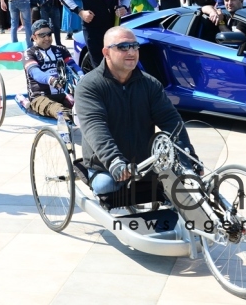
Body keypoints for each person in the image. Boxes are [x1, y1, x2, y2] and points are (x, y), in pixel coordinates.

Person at [74, 26, 196, 195]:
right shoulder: (89, 86)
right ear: (106, 52)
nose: (131, 51)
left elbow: (171, 121)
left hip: (146, 163)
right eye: (123, 47)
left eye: (135, 46)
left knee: (181, 187)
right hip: (106, 165)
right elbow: (95, 126)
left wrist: (188, 158)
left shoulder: (150, 84)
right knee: (105, 186)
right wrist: (114, 161)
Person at [24, 19, 83, 120]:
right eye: (42, 35)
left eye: (49, 34)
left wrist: (82, 76)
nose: (47, 38)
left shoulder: (61, 50)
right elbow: (35, 73)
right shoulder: (29, 53)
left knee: (89, 106)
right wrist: (50, 80)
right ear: (34, 37)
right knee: (62, 112)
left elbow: (74, 66)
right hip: (40, 97)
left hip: (63, 94)